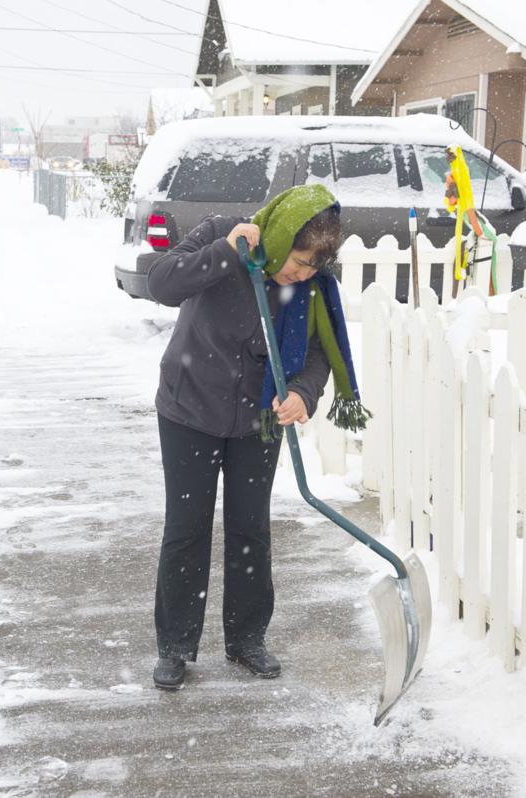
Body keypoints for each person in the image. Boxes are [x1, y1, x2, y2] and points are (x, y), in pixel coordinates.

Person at [145, 183, 370, 690]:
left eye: (315, 266)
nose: (303, 273)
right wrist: (224, 254)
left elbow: (315, 356)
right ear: (283, 234)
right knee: (187, 527)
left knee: (251, 527)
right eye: (299, 259)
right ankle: (176, 645)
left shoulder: (308, 289)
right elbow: (161, 284)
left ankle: (247, 639)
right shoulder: (223, 236)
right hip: (188, 407)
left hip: (257, 420)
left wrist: (303, 393)